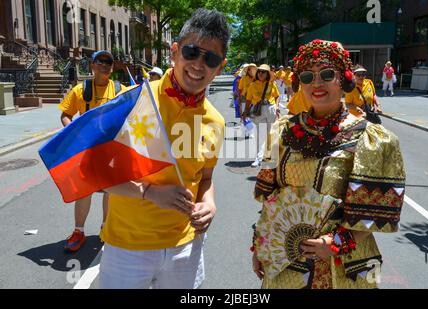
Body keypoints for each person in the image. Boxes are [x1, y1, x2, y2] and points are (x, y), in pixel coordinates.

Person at [251, 39, 406, 289]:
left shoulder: (371, 138)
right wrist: (261, 243)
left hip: (345, 266)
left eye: (326, 74)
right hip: (288, 263)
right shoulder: (281, 131)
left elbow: (369, 214)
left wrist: (336, 243)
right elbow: (273, 200)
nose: (317, 83)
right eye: (307, 76)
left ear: (343, 79)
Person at [99, 8, 229, 289]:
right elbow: (98, 172)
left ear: (220, 67)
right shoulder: (132, 101)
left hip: (185, 248)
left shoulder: (215, 121)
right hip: (127, 247)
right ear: (174, 51)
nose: (198, 64)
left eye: (211, 58)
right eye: (191, 52)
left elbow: (205, 178)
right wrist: (148, 192)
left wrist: (209, 203)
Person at [58, 50, 126, 253]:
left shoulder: (119, 89)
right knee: (84, 190)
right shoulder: (80, 90)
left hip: (111, 150)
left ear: (112, 67)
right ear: (92, 66)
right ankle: (78, 231)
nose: (104, 65)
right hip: (86, 150)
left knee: (111, 191)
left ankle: (106, 228)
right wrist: (73, 132)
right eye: (100, 61)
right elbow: (65, 114)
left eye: (108, 62)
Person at [242, 64, 280, 167]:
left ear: (267, 74)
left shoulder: (272, 84)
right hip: (259, 111)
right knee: (260, 135)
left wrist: (276, 107)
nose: (260, 74)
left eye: (263, 72)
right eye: (259, 71)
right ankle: (258, 158)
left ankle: (269, 154)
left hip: (271, 109)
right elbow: (248, 100)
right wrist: (245, 112)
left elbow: (277, 96)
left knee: (270, 133)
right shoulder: (252, 86)